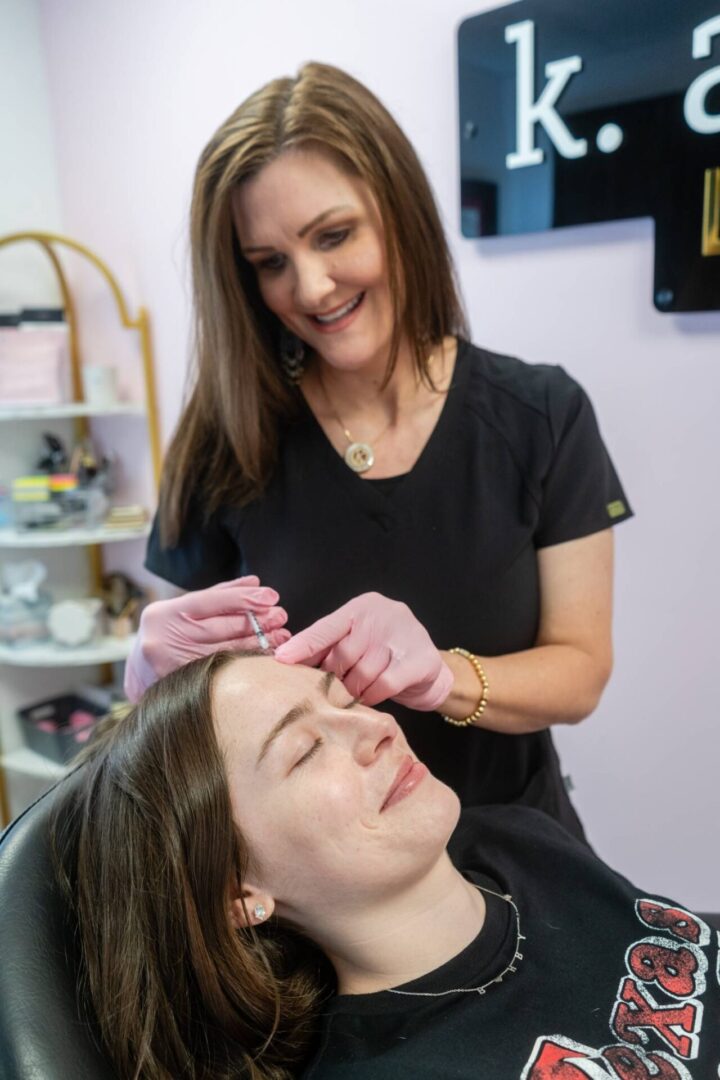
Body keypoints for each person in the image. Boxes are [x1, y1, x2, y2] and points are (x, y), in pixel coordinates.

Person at [136, 60, 634, 840]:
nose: (309, 288)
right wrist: (147, 679)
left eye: (334, 236)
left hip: (515, 856)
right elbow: (181, 676)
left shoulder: (542, 415)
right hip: (322, 878)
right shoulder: (223, 436)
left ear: (397, 213)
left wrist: (441, 676)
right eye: (269, 263)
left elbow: (579, 672)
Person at [56, 653, 718, 1079]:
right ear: (237, 891)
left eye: (344, 699)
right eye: (306, 750)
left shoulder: (518, 838)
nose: (377, 728)